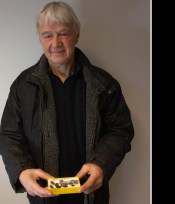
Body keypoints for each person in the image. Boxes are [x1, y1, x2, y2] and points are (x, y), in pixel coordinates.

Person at [0, 1, 134, 204]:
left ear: (76, 35)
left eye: (63, 33)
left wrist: (101, 165)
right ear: (40, 38)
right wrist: (22, 171)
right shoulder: (23, 85)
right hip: (43, 197)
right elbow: (9, 134)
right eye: (47, 35)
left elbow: (120, 130)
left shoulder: (104, 84)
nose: (56, 43)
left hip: (92, 196)